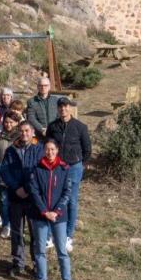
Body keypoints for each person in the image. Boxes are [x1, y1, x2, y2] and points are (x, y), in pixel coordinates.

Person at [29, 138, 75, 280]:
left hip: (59, 217)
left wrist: (56, 211)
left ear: (57, 151)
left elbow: (67, 192)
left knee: (61, 250)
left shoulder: (64, 169)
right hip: (40, 215)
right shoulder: (36, 168)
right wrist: (44, 211)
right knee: (40, 249)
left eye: (53, 149)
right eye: (47, 149)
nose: (50, 152)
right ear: (44, 150)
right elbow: (34, 192)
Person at [45, 97, 91, 253]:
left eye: (65, 107)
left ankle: (68, 236)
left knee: (71, 201)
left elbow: (87, 150)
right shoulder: (53, 127)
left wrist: (79, 164)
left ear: (69, 108)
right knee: (54, 199)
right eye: (60, 107)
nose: (63, 109)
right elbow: (48, 145)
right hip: (56, 167)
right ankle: (51, 235)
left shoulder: (80, 127)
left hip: (73, 167)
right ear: (57, 109)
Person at [1, 121, 43, 277]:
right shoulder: (11, 150)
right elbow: (5, 170)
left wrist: (27, 188)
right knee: (17, 231)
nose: (24, 133)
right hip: (15, 196)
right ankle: (18, 263)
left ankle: (37, 264)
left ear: (32, 133)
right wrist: (16, 187)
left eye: (27, 131)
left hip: (33, 198)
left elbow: (39, 172)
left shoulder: (39, 150)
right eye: (22, 130)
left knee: (35, 233)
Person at [0, 111, 23, 238]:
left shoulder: (20, 137)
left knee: (15, 201)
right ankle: (6, 224)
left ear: (16, 123)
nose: (8, 124)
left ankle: (16, 225)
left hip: (15, 171)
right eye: (6, 122)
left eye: (11, 122)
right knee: (3, 201)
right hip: (0, 170)